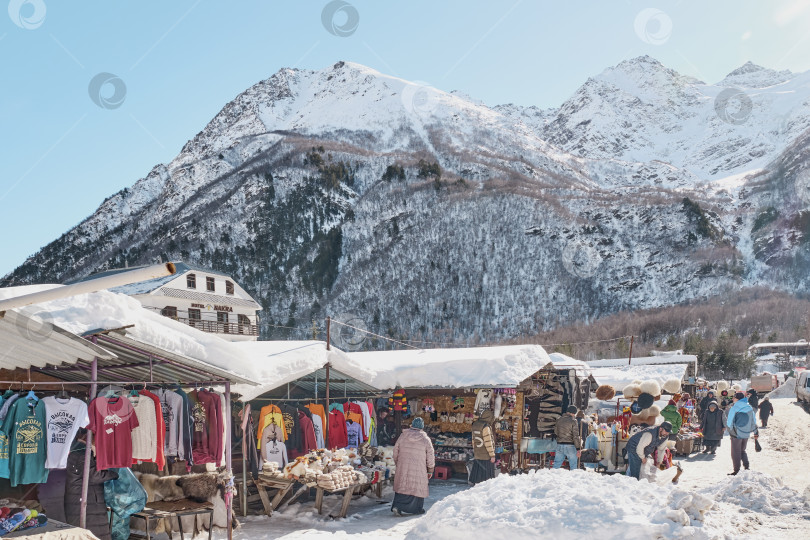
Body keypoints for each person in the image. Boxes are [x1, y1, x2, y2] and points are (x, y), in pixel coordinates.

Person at [65, 434, 119, 540]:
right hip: (86, 503)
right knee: (91, 535)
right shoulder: (81, 453)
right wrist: (114, 474)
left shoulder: (78, 451)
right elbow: (93, 475)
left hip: (87, 501)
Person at [391, 417, 434, 516]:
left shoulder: (403, 436)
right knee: (416, 487)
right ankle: (416, 509)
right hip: (419, 468)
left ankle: (397, 506)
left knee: (403, 486)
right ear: (422, 427)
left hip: (403, 466)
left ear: (412, 425)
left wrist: (398, 463)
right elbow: (430, 456)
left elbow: (395, 451)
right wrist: (430, 469)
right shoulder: (425, 439)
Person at [725, 392, 759, 476]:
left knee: (735, 452)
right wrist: (755, 432)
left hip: (736, 433)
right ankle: (746, 467)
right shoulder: (749, 407)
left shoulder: (735, 407)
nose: (733, 399)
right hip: (746, 433)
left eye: (734, 397)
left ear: (737, 399)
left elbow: (729, 422)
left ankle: (736, 470)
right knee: (742, 450)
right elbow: (753, 421)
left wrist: (731, 430)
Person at [469, 410, 496, 484]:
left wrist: (475, 451)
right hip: (486, 456)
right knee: (486, 479)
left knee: (477, 476)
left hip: (478, 454)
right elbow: (488, 442)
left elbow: (473, 440)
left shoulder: (475, 424)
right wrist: (492, 455)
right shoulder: (485, 426)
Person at [553, 406, 582, 470]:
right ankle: (573, 479)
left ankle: (551, 478)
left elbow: (556, 432)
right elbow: (575, 436)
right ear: (572, 413)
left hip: (559, 445)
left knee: (556, 466)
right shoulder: (573, 421)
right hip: (570, 446)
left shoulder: (559, 419)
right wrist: (578, 448)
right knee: (573, 466)